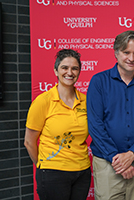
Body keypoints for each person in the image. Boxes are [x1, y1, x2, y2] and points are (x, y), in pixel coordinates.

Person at [87, 30, 134, 200]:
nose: (131, 58)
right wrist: (117, 160)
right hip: (106, 163)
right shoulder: (99, 81)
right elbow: (95, 125)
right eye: (126, 52)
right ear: (116, 53)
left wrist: (132, 154)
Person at [24, 49, 91, 200]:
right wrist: (44, 166)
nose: (70, 72)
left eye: (75, 68)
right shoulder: (43, 101)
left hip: (82, 172)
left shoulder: (86, 101)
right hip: (53, 173)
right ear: (56, 70)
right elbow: (29, 142)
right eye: (64, 67)